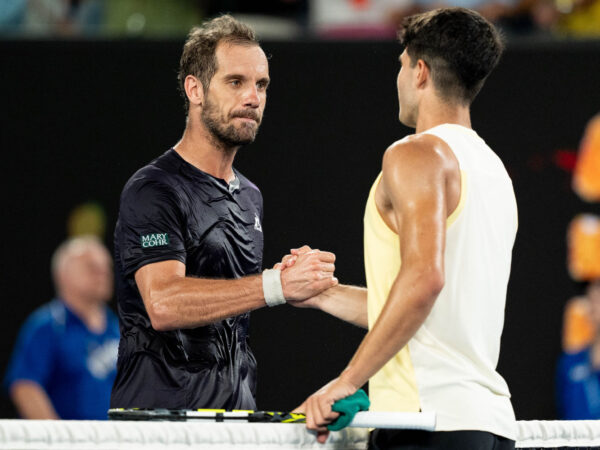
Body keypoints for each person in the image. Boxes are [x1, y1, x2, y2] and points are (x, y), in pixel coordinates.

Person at [288, 8, 517, 449]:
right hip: (485, 426)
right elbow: (427, 309)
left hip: (425, 425)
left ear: (420, 72)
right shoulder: (494, 171)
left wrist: (346, 381)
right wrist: (325, 295)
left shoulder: (414, 154)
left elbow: (424, 280)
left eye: (400, 66)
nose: (397, 79)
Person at [110, 15, 337, 411]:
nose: (253, 97)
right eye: (236, 82)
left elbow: (233, 310)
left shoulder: (250, 196)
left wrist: (291, 280)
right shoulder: (153, 189)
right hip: (159, 424)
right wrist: (277, 285)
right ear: (194, 89)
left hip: (234, 417)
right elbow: (163, 303)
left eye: (261, 85)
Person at [4, 236, 119, 420]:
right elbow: (25, 388)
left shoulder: (118, 329)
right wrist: (59, 438)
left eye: (106, 268)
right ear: (64, 275)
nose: (103, 274)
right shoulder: (46, 327)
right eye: (92, 267)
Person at [556, 279, 600, 419]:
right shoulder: (569, 362)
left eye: (598, 300)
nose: (592, 307)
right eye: (590, 300)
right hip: (576, 438)